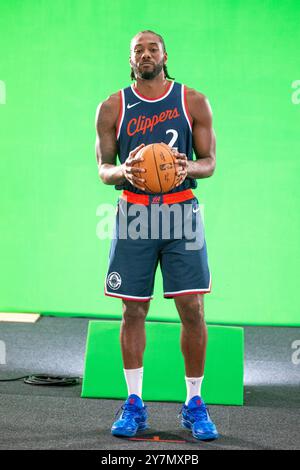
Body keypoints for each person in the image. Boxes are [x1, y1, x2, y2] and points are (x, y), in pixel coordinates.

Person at [95, 30, 218, 441]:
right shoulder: (112, 106)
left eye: (152, 48)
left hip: (181, 211)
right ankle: (134, 404)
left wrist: (187, 167)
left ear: (165, 55)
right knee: (132, 311)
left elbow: (210, 162)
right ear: (130, 60)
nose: (145, 54)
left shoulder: (193, 101)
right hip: (134, 212)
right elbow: (103, 169)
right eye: (137, 50)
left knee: (193, 310)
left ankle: (194, 404)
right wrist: (124, 172)